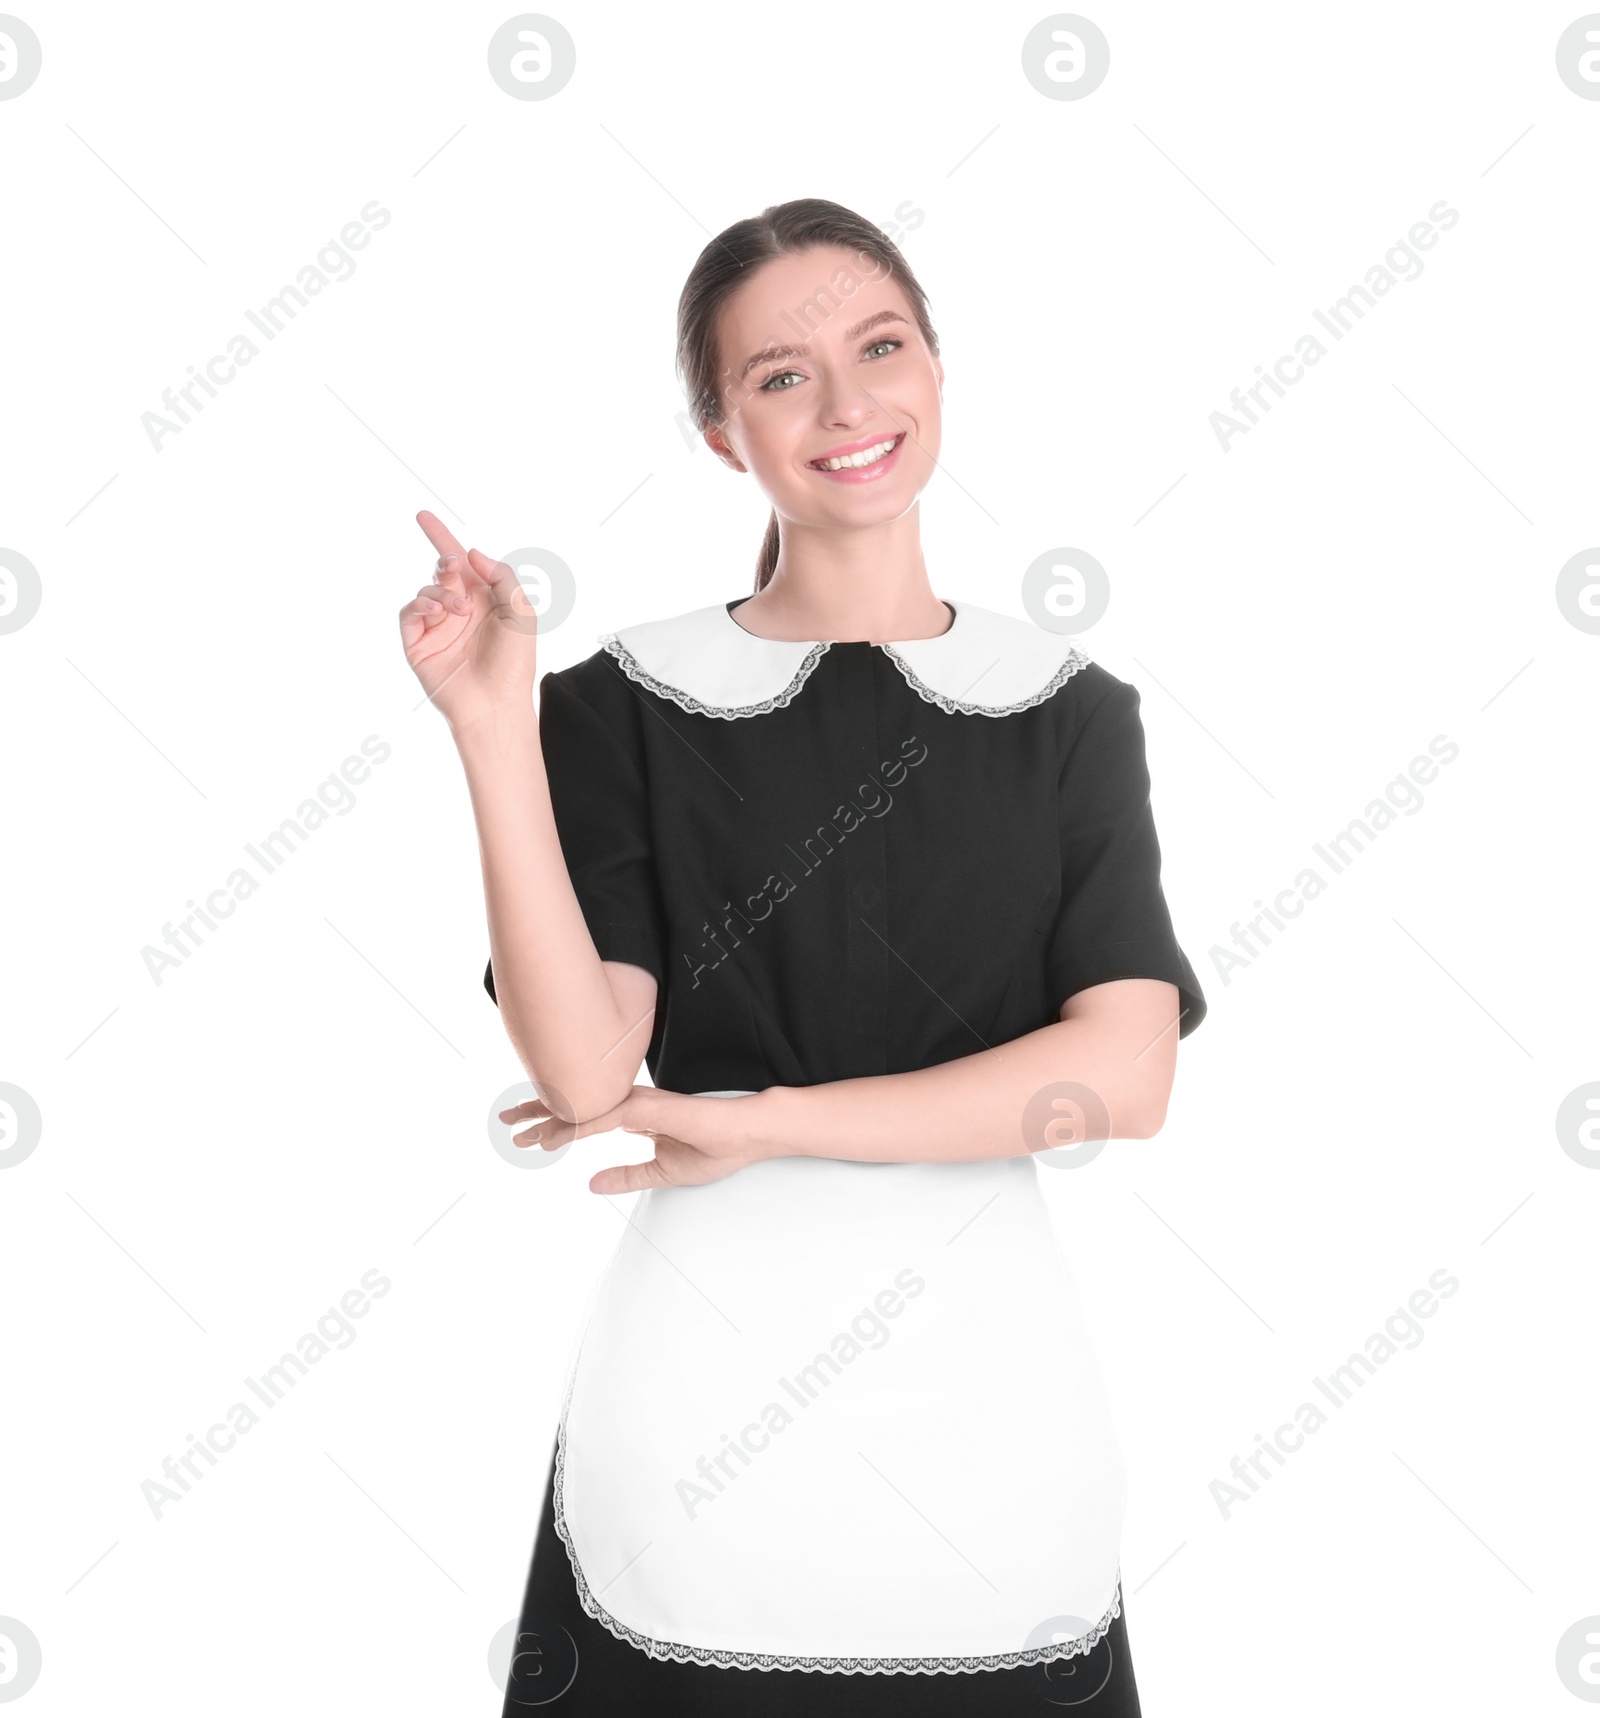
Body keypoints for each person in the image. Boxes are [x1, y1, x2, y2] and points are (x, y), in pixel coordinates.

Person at [399, 198, 1206, 1716]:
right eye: (780, 375)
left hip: (994, 1433)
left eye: (880, 347)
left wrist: (765, 1121)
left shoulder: (1070, 710)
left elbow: (1125, 1072)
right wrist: (494, 730)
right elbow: (584, 1065)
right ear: (720, 432)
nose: (847, 406)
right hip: (694, 1430)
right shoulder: (623, 700)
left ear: (940, 373)